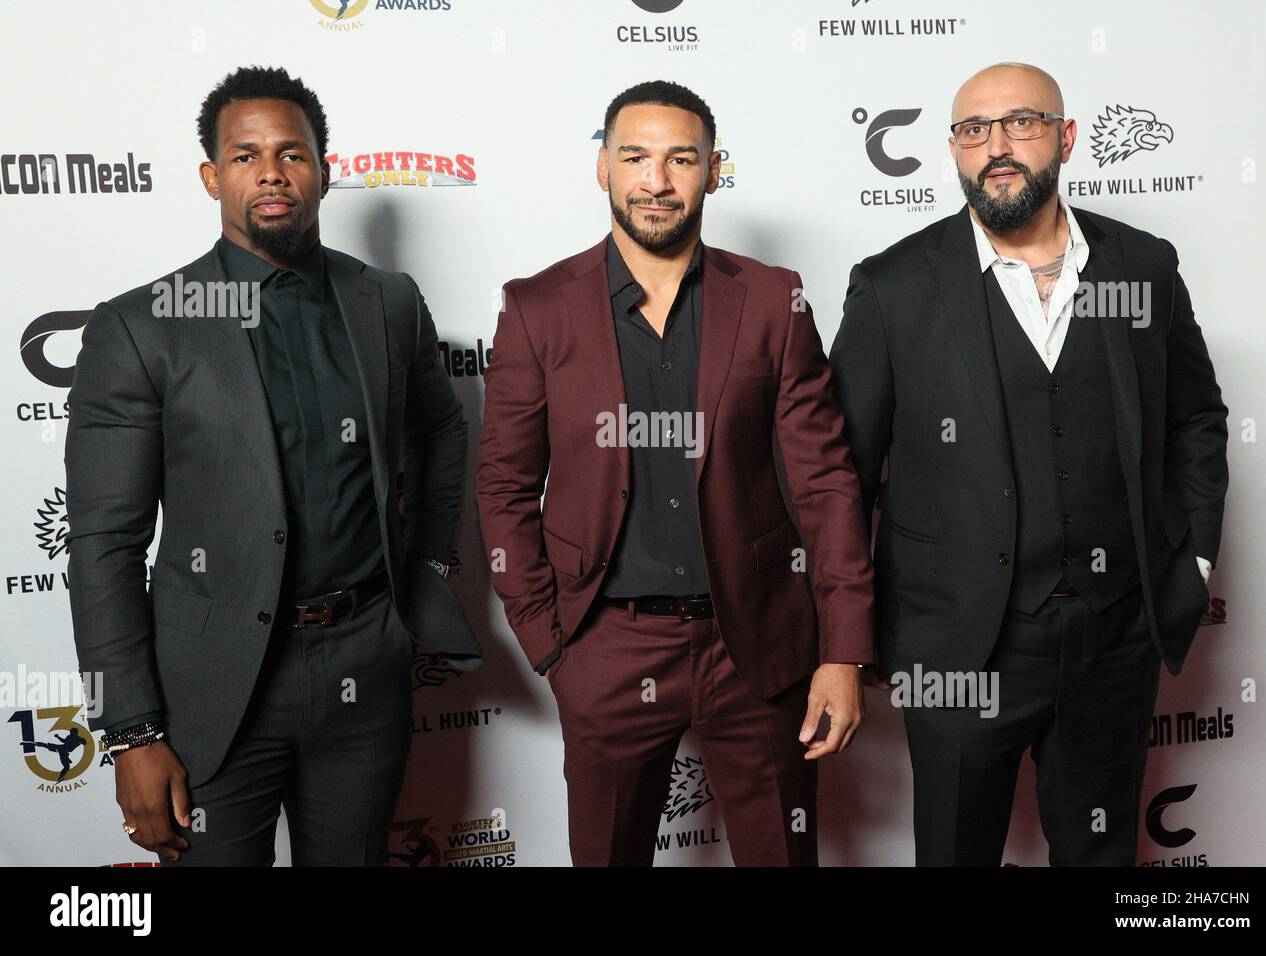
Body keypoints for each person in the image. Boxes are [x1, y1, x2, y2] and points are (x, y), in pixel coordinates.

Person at [65, 65, 481, 866]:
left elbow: (443, 434)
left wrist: (424, 566)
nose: (271, 172)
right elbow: (103, 545)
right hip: (213, 686)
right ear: (211, 176)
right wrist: (132, 733)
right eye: (246, 155)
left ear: (324, 168)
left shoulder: (388, 301)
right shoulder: (141, 326)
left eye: (291, 153)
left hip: (366, 664)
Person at [829, 62, 1229, 866]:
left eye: (1021, 122)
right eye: (974, 130)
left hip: (1115, 640)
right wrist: (848, 639)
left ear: (1067, 136)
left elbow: (1196, 419)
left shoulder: (1140, 269)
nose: (997, 146)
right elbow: (839, 473)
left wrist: (1190, 559)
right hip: (957, 650)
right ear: (953, 150)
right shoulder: (896, 286)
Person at [476, 80, 875, 866]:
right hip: (605, 647)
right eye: (635, 157)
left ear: (713, 171)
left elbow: (826, 482)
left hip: (756, 644)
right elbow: (505, 485)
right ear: (603, 168)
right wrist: (550, 642)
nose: (656, 181)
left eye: (680, 159)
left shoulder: (771, 298)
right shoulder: (537, 307)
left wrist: (842, 652)